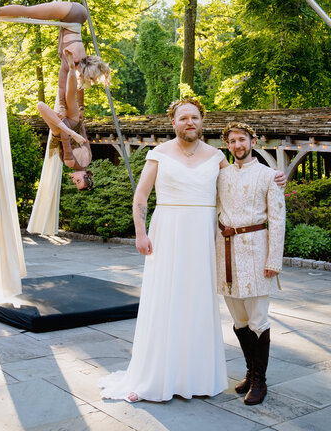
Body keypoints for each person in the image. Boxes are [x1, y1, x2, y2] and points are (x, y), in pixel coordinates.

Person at [100, 97, 229, 402]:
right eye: (183, 118)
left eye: (195, 117)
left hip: (202, 235)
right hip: (167, 232)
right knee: (165, 299)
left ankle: (196, 376)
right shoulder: (159, 153)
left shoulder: (216, 156)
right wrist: (140, 233)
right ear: (174, 122)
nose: (190, 122)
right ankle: (154, 376)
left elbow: (239, 184)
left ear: (202, 121)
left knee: (197, 300)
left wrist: (271, 177)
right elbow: (142, 196)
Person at [0, 1, 110, 190]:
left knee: (70, 92)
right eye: (78, 181)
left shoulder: (88, 159)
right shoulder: (72, 162)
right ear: (84, 177)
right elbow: (67, 136)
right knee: (28, 12)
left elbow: (72, 97)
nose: (74, 181)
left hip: (77, 16)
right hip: (71, 16)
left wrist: (76, 112)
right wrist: (68, 126)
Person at [216, 122, 286, 405]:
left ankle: (260, 381)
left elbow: (278, 220)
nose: (237, 145)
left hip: (258, 253)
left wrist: (274, 260)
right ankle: (249, 372)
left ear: (253, 141)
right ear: (227, 145)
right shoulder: (220, 177)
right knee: (239, 320)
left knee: (258, 320)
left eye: (242, 139)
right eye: (231, 141)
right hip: (227, 253)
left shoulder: (269, 176)